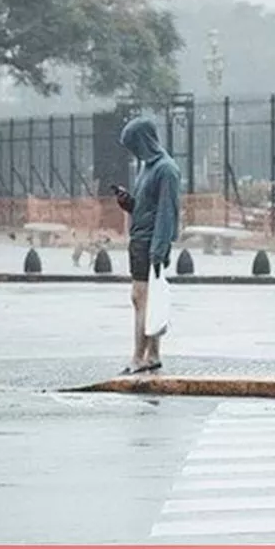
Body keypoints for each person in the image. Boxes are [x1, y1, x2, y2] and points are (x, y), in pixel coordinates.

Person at [112, 116, 182, 375]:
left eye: (133, 144)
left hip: (151, 242)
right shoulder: (147, 168)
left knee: (140, 299)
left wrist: (159, 249)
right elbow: (146, 207)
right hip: (141, 239)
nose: (132, 151)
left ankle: (138, 357)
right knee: (147, 301)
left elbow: (167, 213)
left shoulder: (166, 169)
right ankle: (152, 354)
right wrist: (128, 203)